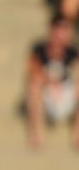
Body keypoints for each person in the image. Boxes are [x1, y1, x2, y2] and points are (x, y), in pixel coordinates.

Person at [24, 15, 79, 150]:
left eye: (65, 31)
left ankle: (76, 135)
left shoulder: (72, 52)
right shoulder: (39, 49)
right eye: (59, 31)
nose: (61, 36)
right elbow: (32, 71)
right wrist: (50, 82)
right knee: (34, 86)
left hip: (64, 95)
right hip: (46, 96)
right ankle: (37, 134)